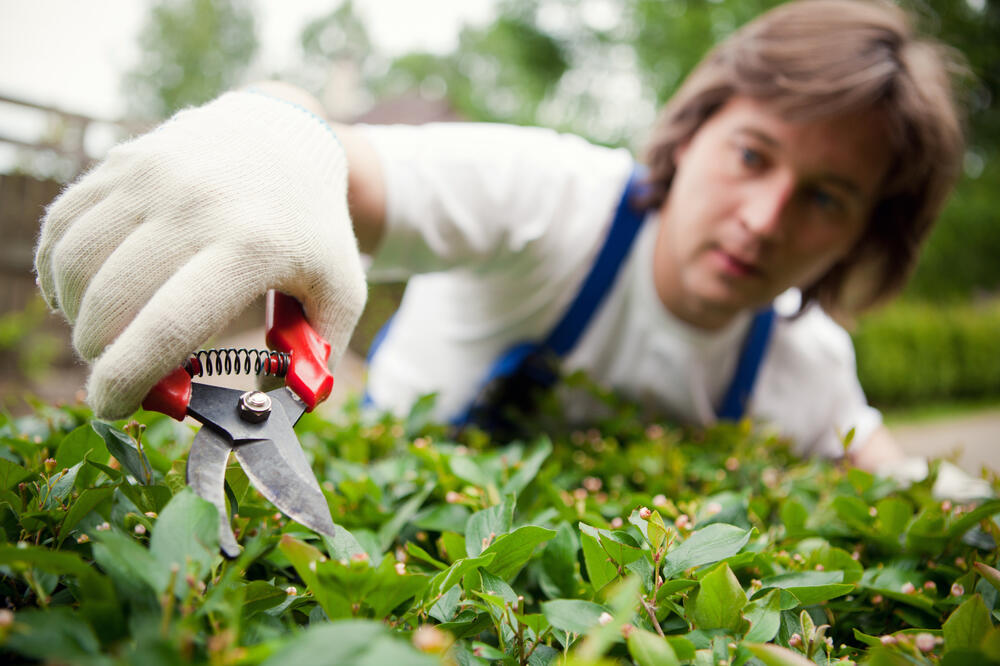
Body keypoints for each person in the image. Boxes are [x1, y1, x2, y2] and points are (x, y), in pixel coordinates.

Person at [35, 0, 966, 475]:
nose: (765, 219)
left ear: (862, 238)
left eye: (827, 200)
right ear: (692, 135)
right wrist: (271, 139)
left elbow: (881, 466)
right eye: (753, 155)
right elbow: (328, 145)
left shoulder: (807, 364)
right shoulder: (550, 195)